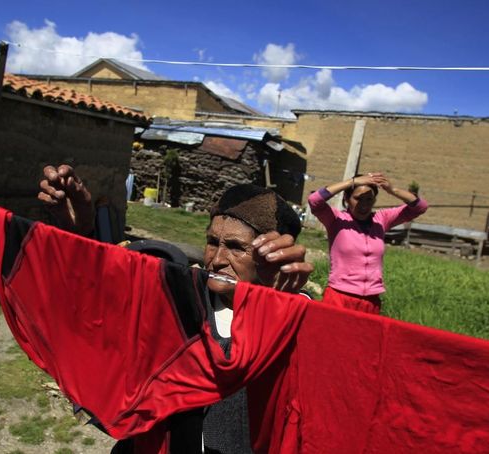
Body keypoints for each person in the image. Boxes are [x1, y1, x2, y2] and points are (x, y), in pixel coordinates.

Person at [38, 164, 313, 453]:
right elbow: (102, 310)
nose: (217, 259)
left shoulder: (294, 318)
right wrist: (80, 237)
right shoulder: (181, 299)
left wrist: (276, 302)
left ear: (272, 254)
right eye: (211, 242)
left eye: (235, 246)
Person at [307, 172, 428, 314]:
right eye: (358, 198)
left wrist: (392, 190)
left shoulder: (381, 219)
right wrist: (350, 182)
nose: (364, 205)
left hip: (370, 301)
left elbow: (420, 207)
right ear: (347, 198)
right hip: (339, 296)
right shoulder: (336, 220)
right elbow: (314, 200)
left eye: (369, 199)